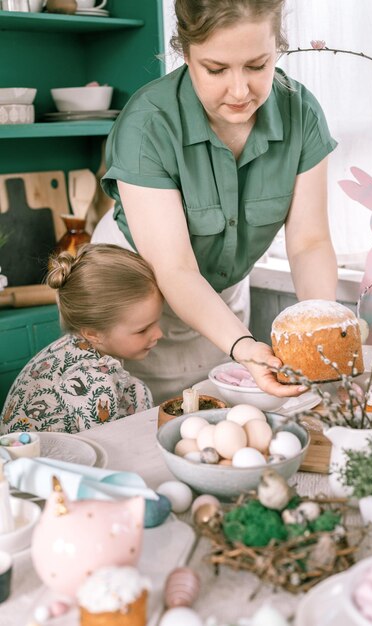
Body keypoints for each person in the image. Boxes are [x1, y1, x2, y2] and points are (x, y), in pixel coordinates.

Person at [92, 0, 338, 405]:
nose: (240, 90)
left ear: (278, 46)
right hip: (136, 306)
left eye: (258, 66)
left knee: (220, 417)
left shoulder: (302, 113)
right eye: (216, 69)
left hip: (221, 300)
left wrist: (323, 328)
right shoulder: (148, 124)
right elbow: (175, 269)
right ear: (185, 54)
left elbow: (309, 242)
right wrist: (242, 345)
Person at [0, 244, 163, 434]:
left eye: (157, 322)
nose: (159, 334)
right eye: (142, 330)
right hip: (41, 460)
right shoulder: (93, 380)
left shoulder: (73, 347)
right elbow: (109, 447)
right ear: (93, 333)